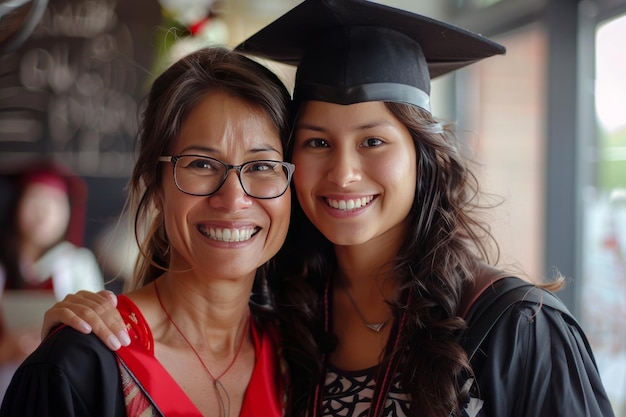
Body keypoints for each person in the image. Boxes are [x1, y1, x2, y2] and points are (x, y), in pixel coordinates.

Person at [36, 1, 615, 416]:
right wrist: (70, 351)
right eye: (315, 142)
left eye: (373, 140)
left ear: (425, 157)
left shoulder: (512, 328)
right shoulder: (291, 316)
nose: (342, 173)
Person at [0, 46, 294, 416]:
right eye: (202, 164)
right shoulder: (78, 367)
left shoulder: (301, 362)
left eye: (262, 165)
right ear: (154, 186)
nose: (233, 198)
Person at [0, 160, 104, 399]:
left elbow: (96, 333)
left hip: (61, 387)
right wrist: (6, 349)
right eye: (35, 199)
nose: (43, 211)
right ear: (18, 205)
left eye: (54, 203)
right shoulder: (3, 267)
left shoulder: (77, 263)